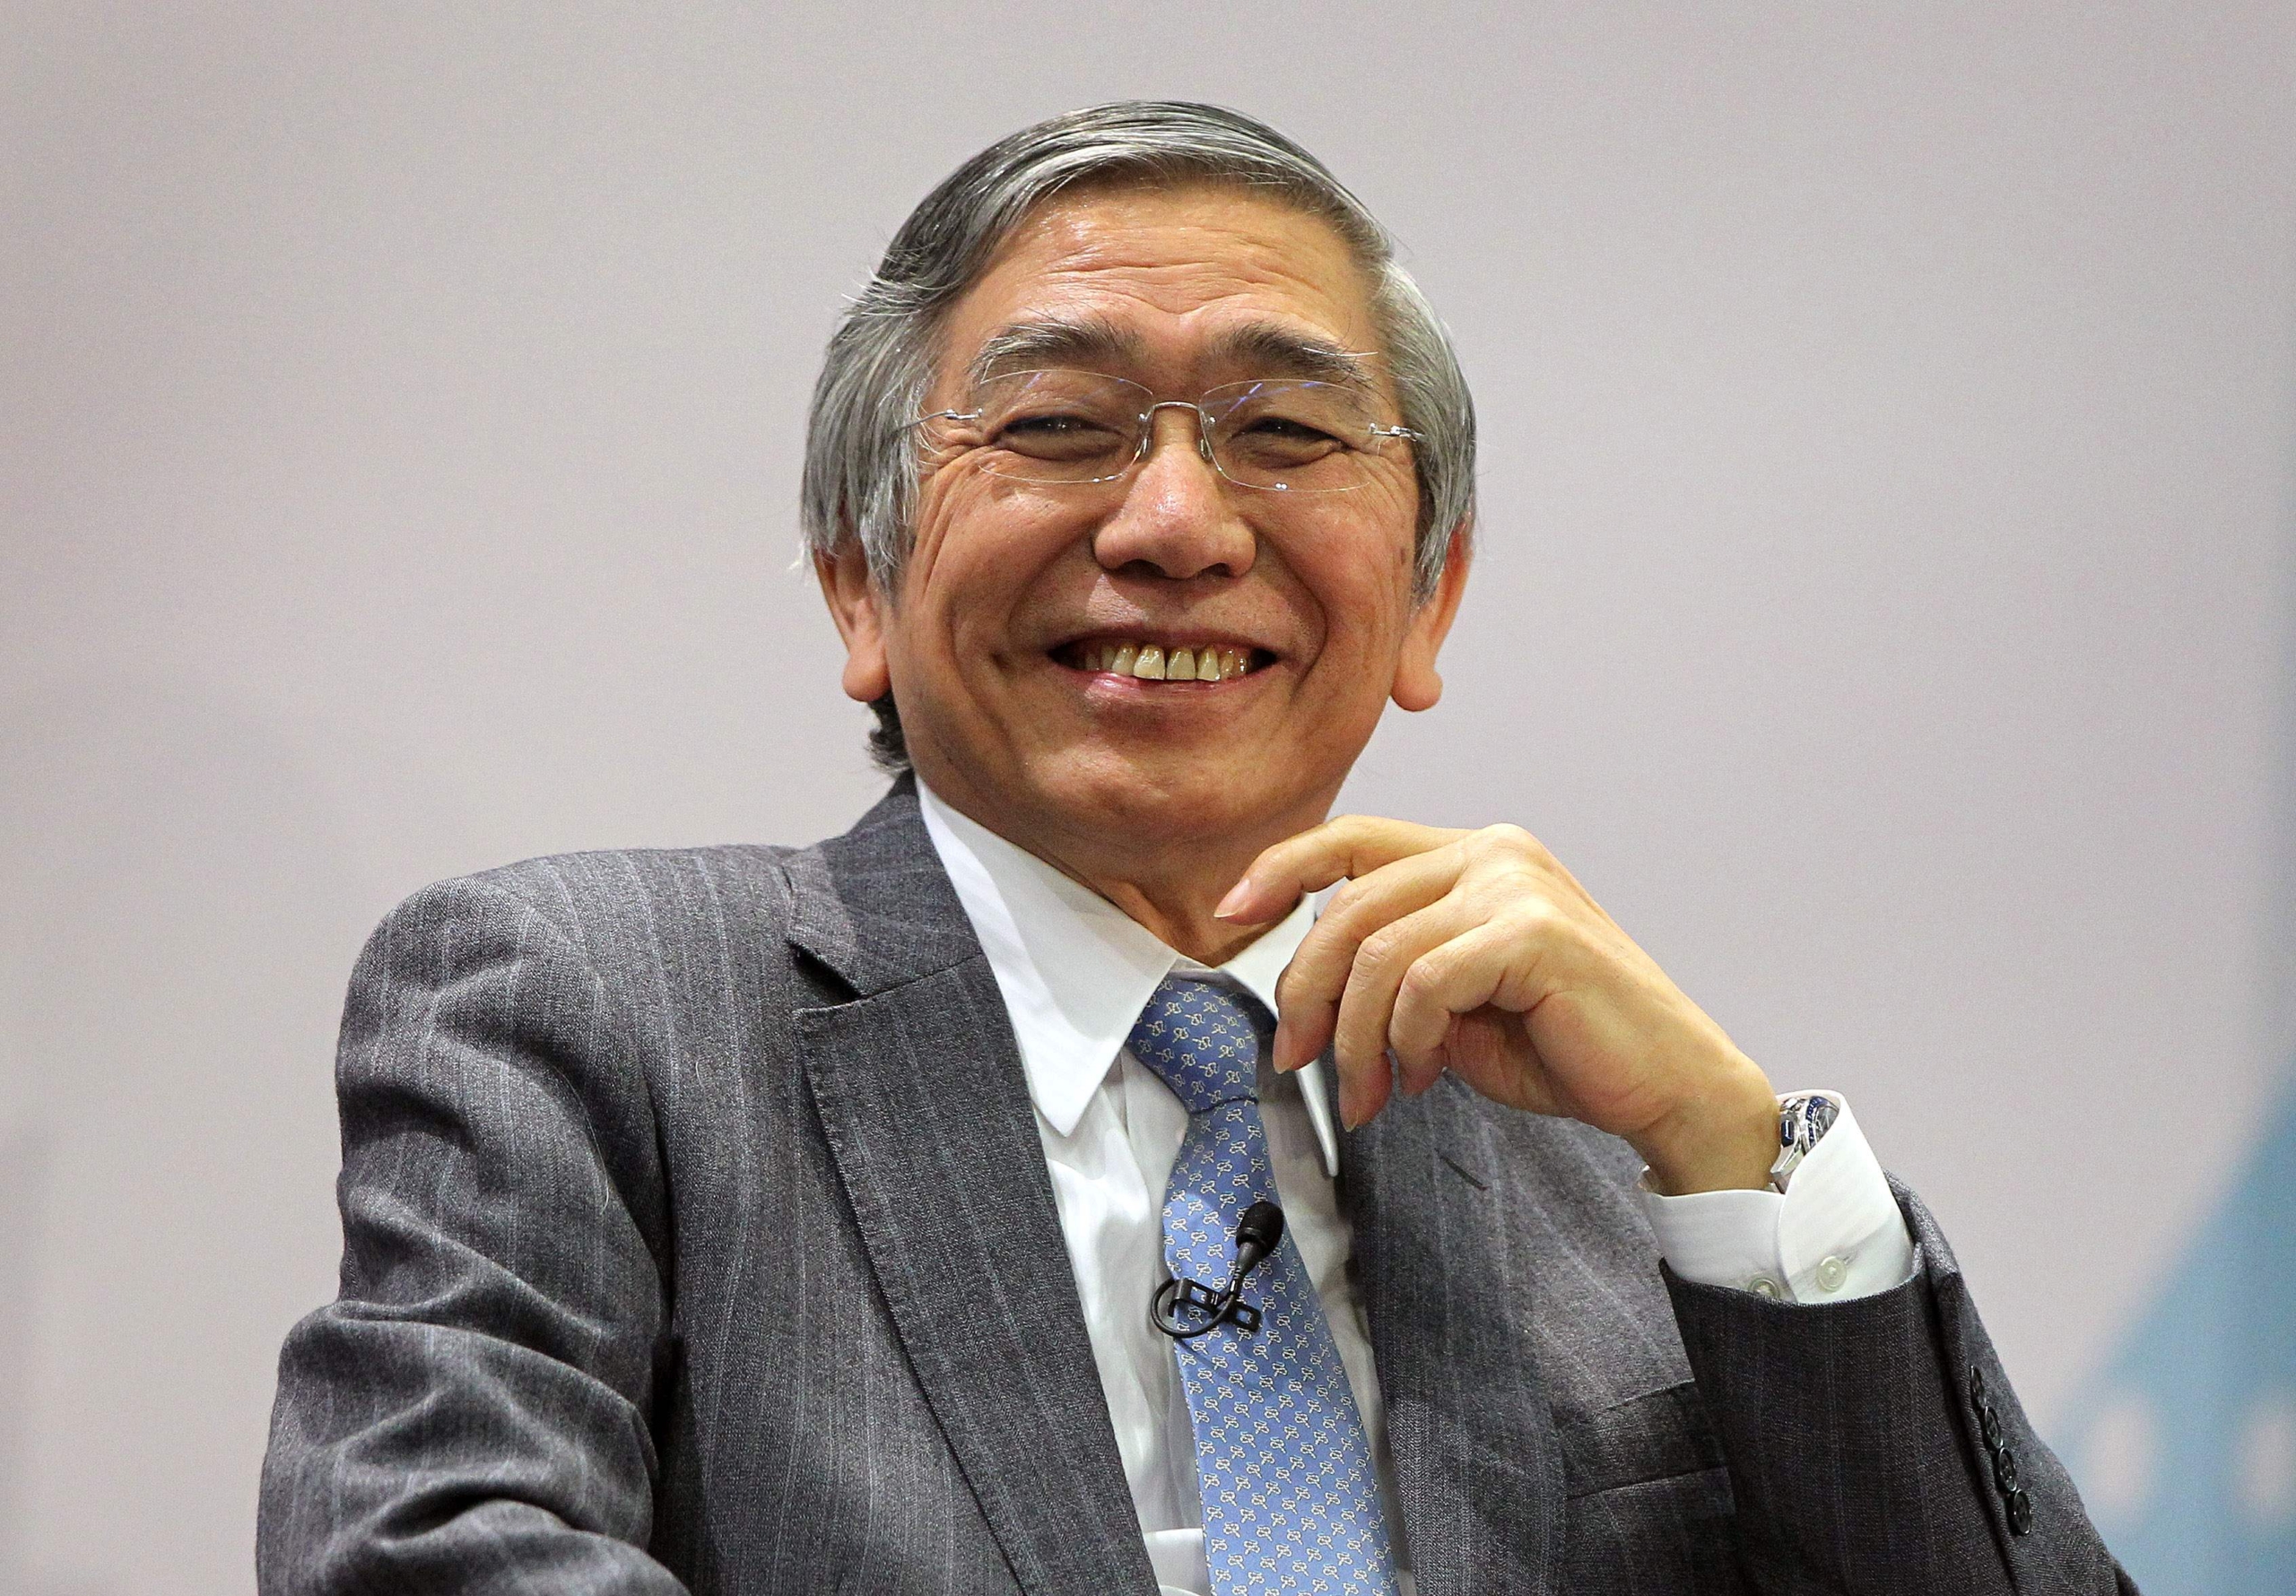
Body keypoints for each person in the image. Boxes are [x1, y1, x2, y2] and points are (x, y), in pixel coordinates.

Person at [258, 101, 2133, 1595]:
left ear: (1426, 595)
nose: (1175, 522)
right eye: (1059, 424)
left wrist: (1733, 1159)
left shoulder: (1598, 1152)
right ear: (859, 582)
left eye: (1287, 430)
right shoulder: (594, 1013)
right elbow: (425, 1558)